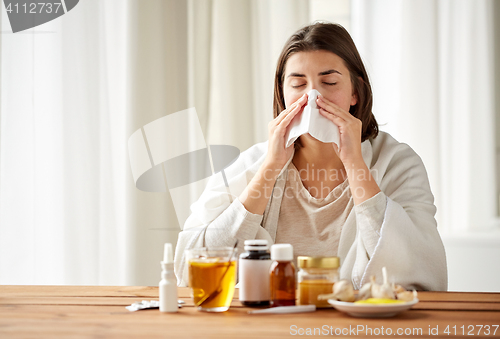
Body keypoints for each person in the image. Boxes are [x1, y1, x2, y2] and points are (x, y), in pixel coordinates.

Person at [174, 22, 447, 291]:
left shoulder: (398, 163)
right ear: (282, 93)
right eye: (297, 84)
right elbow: (190, 270)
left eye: (328, 82)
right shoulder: (250, 164)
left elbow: (419, 273)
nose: (313, 98)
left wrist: (355, 165)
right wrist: (270, 168)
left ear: (355, 92)